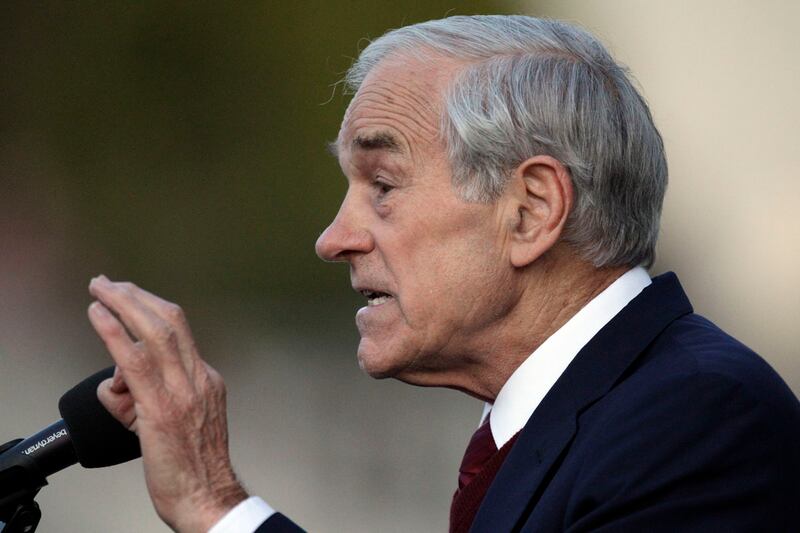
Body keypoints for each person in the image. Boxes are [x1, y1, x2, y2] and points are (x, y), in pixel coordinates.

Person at [86, 15, 800, 533]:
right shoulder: (596, 416)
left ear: (531, 210)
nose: (334, 239)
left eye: (383, 185)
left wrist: (214, 505)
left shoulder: (698, 421)